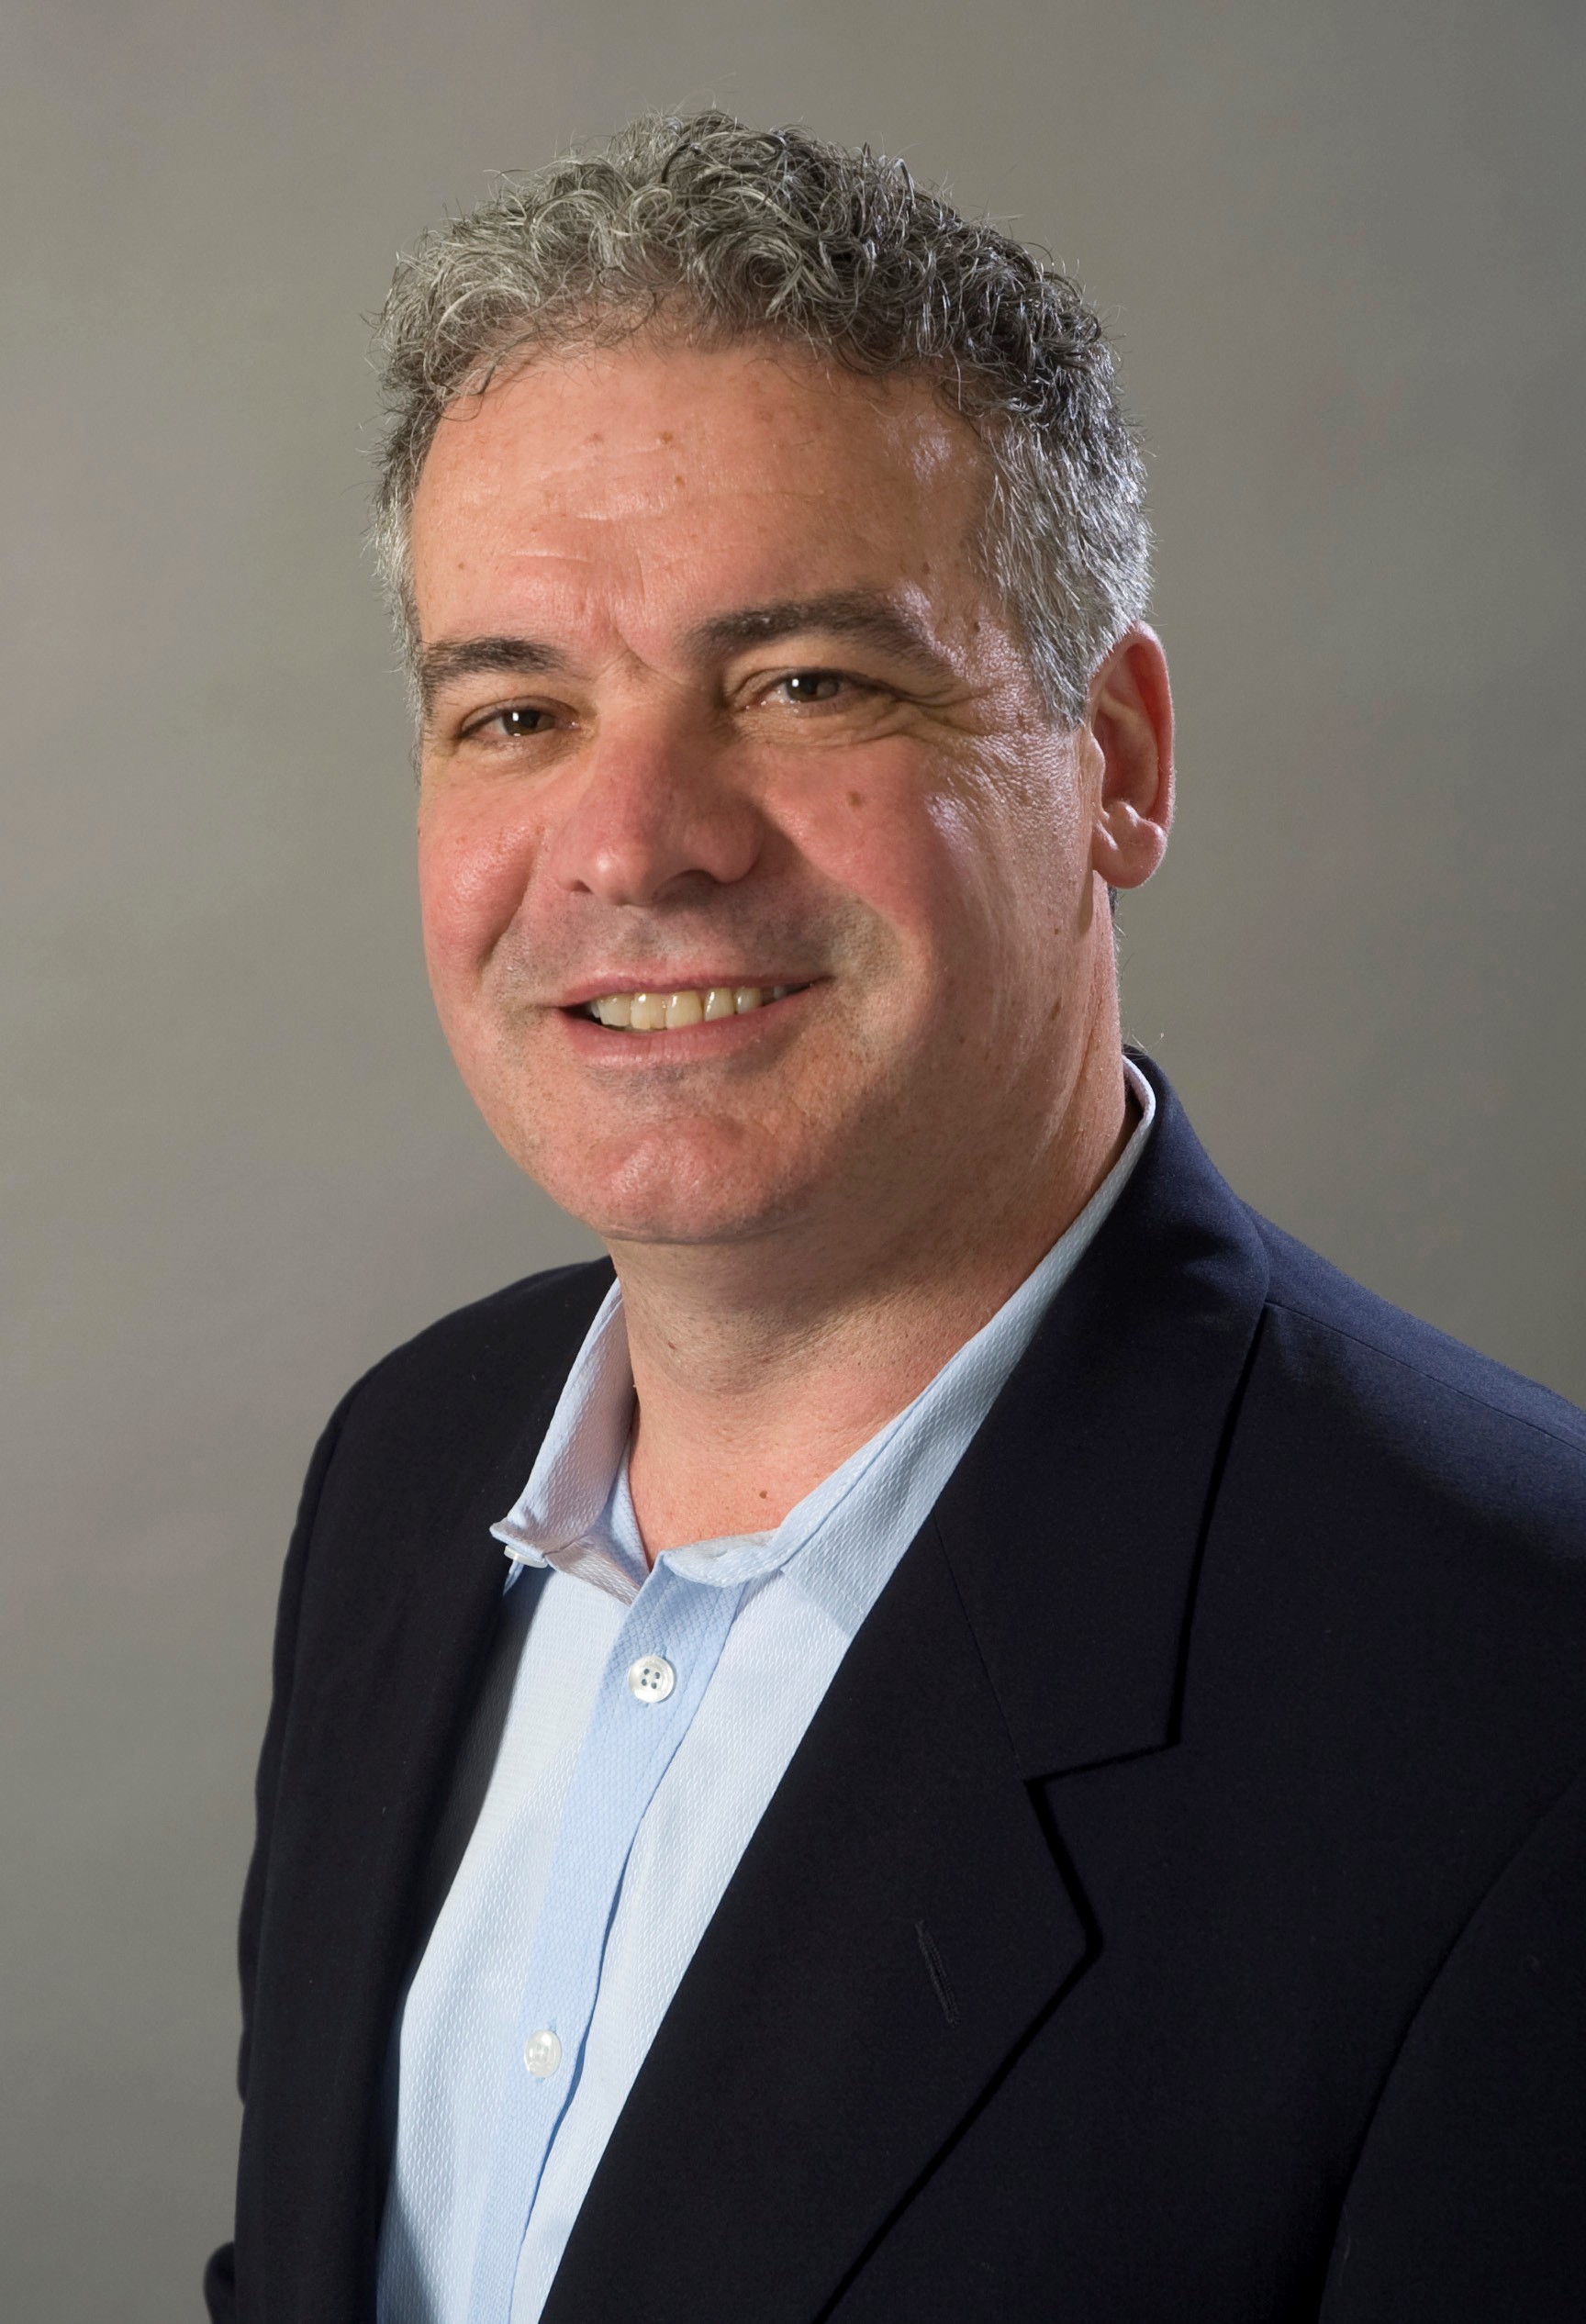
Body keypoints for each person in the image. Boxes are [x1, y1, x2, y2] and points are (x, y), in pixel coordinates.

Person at [205, 112, 1586, 2324]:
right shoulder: (405, 1473)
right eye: (517, 710)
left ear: (1115, 758)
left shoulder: (1517, 1707)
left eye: (807, 683)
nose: (636, 841)